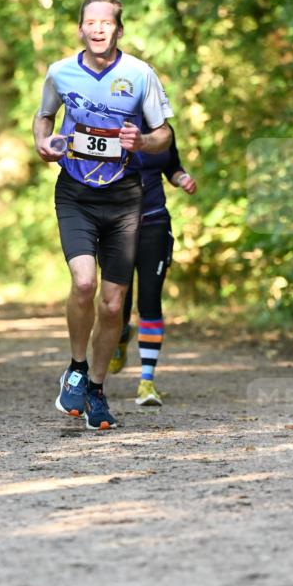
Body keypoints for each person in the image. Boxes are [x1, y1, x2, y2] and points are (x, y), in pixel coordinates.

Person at [33, 0, 174, 430]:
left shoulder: (139, 74)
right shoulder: (60, 72)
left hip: (125, 195)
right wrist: (43, 143)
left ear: (118, 29)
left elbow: (164, 134)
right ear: (80, 28)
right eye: (90, 22)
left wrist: (142, 142)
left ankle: (95, 387)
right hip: (75, 192)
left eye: (106, 23)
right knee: (83, 282)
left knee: (113, 306)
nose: (97, 29)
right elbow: (44, 118)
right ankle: (76, 366)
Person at [109, 126, 197, 406]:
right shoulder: (111, 121)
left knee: (150, 301)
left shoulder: (163, 130)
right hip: (117, 227)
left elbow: (171, 166)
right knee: (117, 305)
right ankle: (121, 335)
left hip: (155, 225)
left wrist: (182, 178)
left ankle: (147, 381)